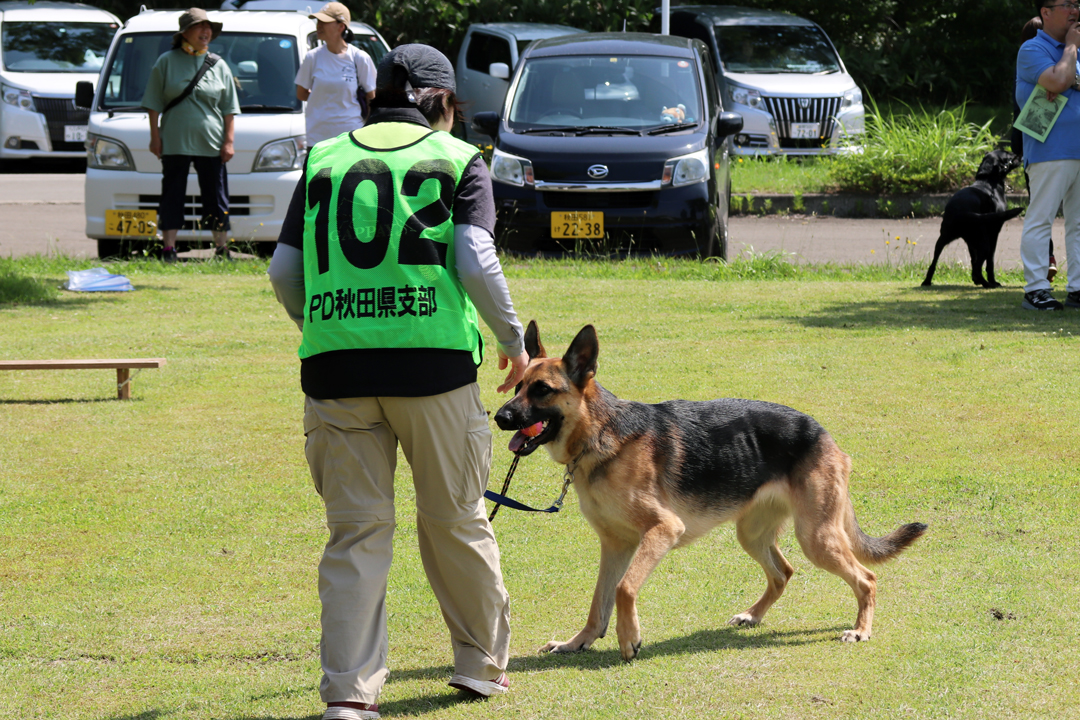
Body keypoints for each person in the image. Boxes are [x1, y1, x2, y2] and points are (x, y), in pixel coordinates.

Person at [268, 44, 528, 720]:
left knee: (355, 534)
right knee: (455, 519)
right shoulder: (458, 158)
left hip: (335, 371)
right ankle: (479, 665)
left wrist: (320, 322)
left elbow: (283, 273)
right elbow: (474, 257)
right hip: (433, 370)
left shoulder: (322, 159)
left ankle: (350, 697)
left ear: (369, 94)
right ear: (441, 101)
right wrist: (513, 342)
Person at [141, 8, 240, 262]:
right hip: (174, 141)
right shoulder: (166, 61)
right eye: (199, 27)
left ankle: (220, 248)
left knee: (216, 196)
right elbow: (153, 103)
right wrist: (155, 137)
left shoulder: (218, 65)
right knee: (172, 195)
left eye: (209, 28)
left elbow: (230, 109)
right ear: (184, 33)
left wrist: (229, 142)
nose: (205, 32)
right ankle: (168, 249)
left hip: (212, 143)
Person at [1015, 0, 1080, 309]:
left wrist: (1066, 78)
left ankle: (1078, 288)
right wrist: (1069, 54)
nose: (1074, 10)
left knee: (1079, 223)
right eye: (1065, 4)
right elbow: (1057, 81)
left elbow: (1062, 81)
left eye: (1076, 4)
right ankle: (1037, 289)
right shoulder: (1032, 50)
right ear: (1045, 12)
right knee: (1041, 219)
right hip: (1050, 150)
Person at [294, 2, 377, 147]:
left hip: (351, 138)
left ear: (341, 27)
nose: (319, 25)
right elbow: (301, 94)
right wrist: (325, 98)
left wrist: (368, 130)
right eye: (318, 21)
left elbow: (372, 97)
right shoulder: (312, 57)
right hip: (318, 139)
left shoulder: (359, 58)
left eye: (324, 21)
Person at [1013, 15, 1058, 281]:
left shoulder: (1027, 60)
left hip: (1027, 141)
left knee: (1039, 208)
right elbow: (1035, 111)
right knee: (1042, 213)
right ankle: (1041, 273)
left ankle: (1048, 260)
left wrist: (1060, 83)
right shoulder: (1031, 57)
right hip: (1037, 141)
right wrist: (1056, 83)